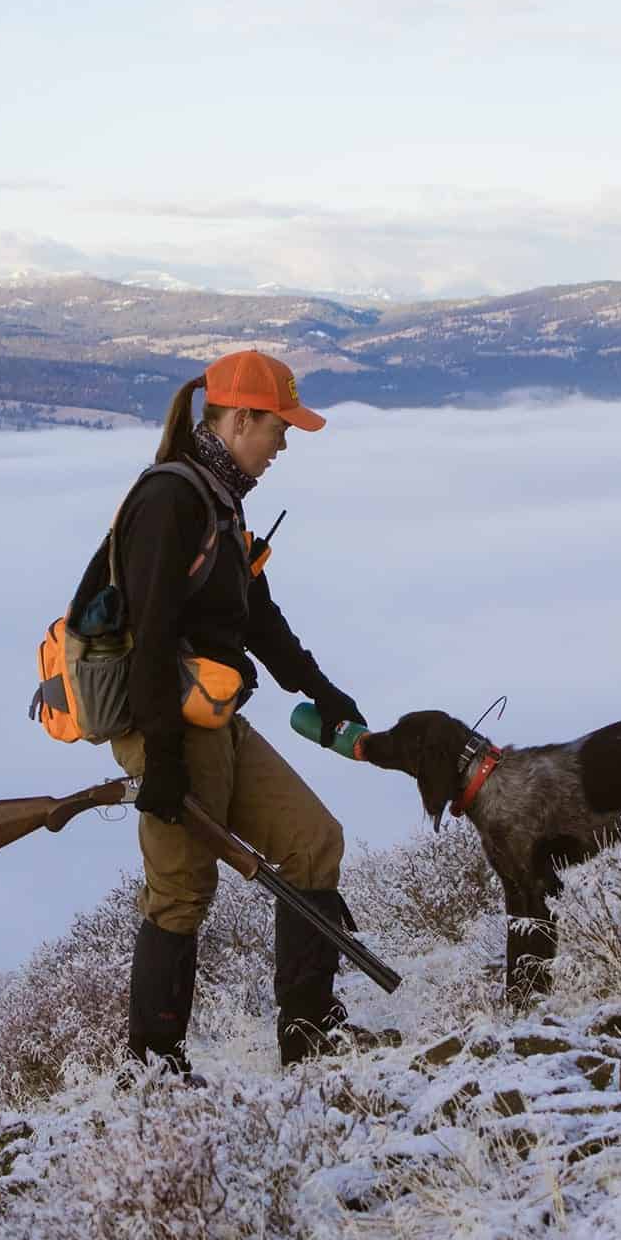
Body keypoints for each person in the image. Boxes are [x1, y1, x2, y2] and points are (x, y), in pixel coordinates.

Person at [105, 349, 374, 1074]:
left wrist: (317, 687)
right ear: (240, 418)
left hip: (215, 714)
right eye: (278, 428)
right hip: (166, 718)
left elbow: (253, 613)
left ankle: (309, 1038)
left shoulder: (222, 499)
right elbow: (151, 638)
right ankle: (156, 1074)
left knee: (313, 841)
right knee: (182, 894)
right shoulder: (171, 500)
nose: (284, 444)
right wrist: (160, 757)